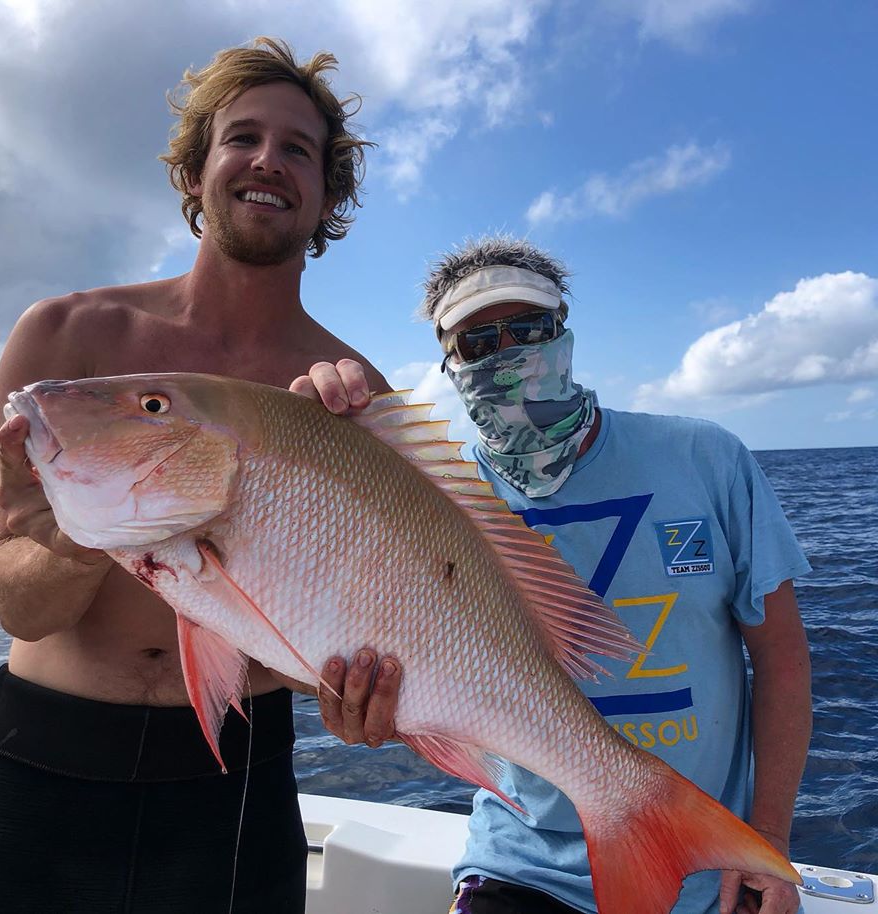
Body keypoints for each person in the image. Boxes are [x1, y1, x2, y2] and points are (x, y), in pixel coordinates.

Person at [0, 37, 397, 914]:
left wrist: (365, 696)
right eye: (242, 138)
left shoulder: (353, 399)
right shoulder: (70, 349)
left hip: (236, 783)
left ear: (327, 194)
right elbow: (18, 604)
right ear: (196, 170)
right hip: (43, 767)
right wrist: (102, 525)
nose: (269, 160)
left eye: (299, 148)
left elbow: (335, 643)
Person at [305, 235, 812, 914]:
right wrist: (317, 446)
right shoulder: (431, 499)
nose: (507, 354)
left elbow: (780, 660)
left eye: (529, 329)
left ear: (564, 332)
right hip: (521, 866)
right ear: (448, 364)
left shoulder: (706, 458)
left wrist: (766, 842)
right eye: (477, 343)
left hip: (707, 862)